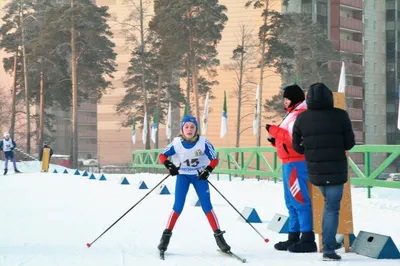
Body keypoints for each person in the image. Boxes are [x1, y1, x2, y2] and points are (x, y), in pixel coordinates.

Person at [292, 83, 355, 261]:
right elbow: (349, 143)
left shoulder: (302, 118)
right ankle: (328, 248)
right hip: (336, 169)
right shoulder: (341, 115)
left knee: (329, 205)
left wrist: (309, 149)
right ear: (329, 97)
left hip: (315, 170)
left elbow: (297, 145)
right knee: (332, 207)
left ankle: (329, 242)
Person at [157, 115, 231, 254]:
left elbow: (214, 159)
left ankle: (220, 239)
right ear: (182, 129)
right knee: (177, 207)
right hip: (183, 176)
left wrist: (208, 170)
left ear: (196, 129)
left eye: (192, 127)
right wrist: (169, 165)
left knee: (207, 206)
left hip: (199, 177)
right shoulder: (177, 143)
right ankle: (165, 238)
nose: (189, 129)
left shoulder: (203, 142)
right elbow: (162, 155)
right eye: (186, 127)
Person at [265, 84, 317, 253]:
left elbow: (292, 139)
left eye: (287, 98)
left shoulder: (299, 115)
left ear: (294, 99)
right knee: (290, 201)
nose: (285, 101)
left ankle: (307, 237)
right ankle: (293, 235)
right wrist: (274, 141)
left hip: (297, 162)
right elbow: (285, 140)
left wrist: (274, 130)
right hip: (288, 161)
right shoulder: (291, 114)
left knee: (299, 199)